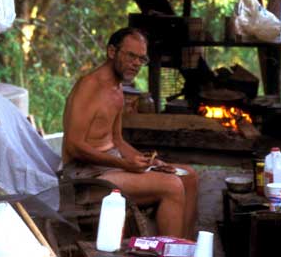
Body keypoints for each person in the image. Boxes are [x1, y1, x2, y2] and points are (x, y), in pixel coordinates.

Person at [62, 27, 198, 238]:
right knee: (172, 185)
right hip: (87, 177)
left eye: (141, 59)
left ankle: (186, 249)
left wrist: (150, 162)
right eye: (131, 56)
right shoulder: (89, 86)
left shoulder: (117, 90)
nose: (136, 63)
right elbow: (73, 146)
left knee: (188, 176)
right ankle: (171, 251)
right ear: (111, 52)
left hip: (110, 168)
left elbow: (117, 140)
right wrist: (125, 165)